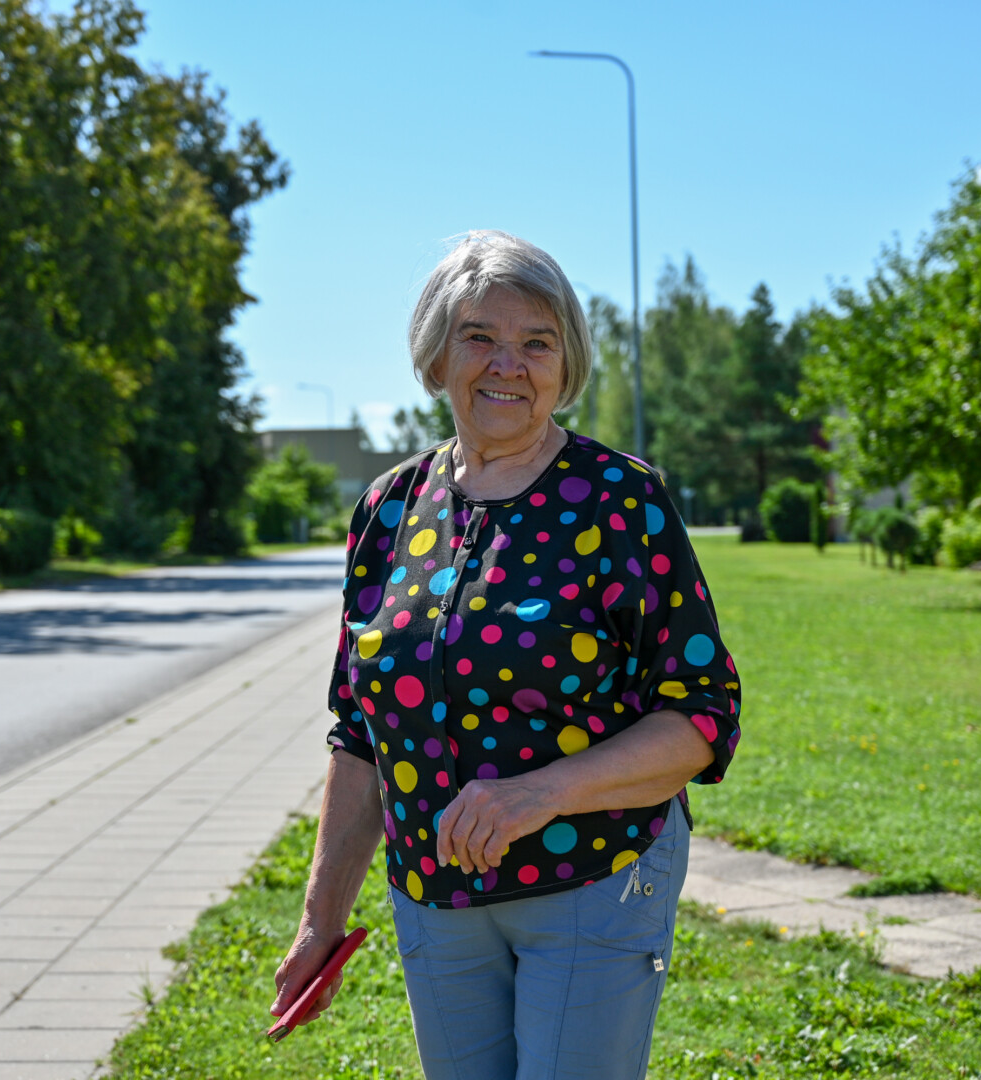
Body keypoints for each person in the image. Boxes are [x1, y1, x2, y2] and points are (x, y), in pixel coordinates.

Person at [273, 230, 741, 1079]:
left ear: (567, 364)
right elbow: (359, 732)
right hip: (433, 894)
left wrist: (535, 795)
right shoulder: (388, 508)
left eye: (537, 343)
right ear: (437, 355)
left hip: (594, 873)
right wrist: (320, 920)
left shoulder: (619, 498)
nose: (507, 365)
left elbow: (701, 715)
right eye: (479, 336)